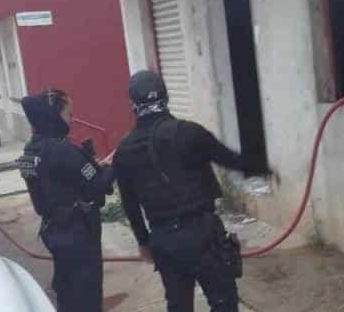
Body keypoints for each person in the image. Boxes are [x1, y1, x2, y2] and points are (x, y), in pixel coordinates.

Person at [114, 70, 272, 312]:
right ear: (165, 97)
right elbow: (229, 159)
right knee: (223, 302)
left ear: (132, 105)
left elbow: (130, 203)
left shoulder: (124, 150)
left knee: (179, 306)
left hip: (163, 239)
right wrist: (264, 168)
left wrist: (143, 242)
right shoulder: (189, 133)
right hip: (201, 233)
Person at [17, 88, 115, 312]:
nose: (71, 119)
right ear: (54, 117)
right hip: (77, 233)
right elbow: (98, 188)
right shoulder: (62, 150)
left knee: (67, 291)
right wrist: (116, 164)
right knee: (86, 296)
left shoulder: (32, 149)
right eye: (68, 114)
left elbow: (60, 181)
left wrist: (97, 166)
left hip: (55, 230)